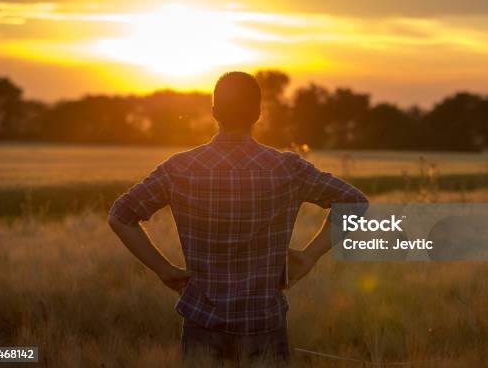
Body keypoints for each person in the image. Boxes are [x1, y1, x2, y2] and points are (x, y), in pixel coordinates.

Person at [107, 71, 368, 364]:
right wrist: (310, 256)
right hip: (264, 323)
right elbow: (355, 203)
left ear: (214, 113)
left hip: (202, 323)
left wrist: (163, 269)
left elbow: (120, 216)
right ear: (258, 114)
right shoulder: (288, 169)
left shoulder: (179, 168)